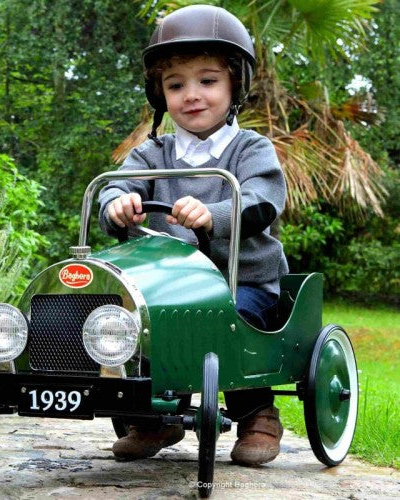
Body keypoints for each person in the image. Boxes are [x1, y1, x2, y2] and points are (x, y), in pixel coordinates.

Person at [98, 4, 288, 466]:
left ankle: (257, 414)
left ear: (234, 84)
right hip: (170, 286)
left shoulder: (250, 148)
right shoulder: (152, 153)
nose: (192, 95)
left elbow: (263, 200)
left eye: (207, 81)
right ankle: (154, 418)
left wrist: (213, 214)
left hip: (242, 280)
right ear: (160, 94)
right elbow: (117, 185)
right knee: (137, 323)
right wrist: (117, 204)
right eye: (176, 85)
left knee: (227, 318)